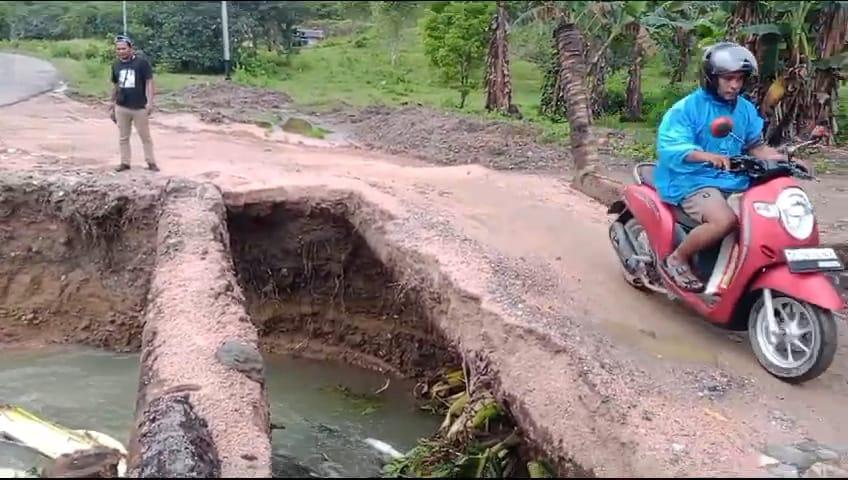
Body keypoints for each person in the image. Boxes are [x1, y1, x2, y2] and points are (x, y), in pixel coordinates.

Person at [653, 42, 787, 292]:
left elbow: (756, 145)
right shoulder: (688, 108)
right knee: (724, 221)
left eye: (739, 79)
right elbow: (671, 146)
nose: (734, 85)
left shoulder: (744, 109)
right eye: (728, 78)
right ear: (712, 78)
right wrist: (706, 156)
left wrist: (785, 160)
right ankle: (677, 259)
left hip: (732, 179)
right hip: (692, 179)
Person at [109, 34, 158, 172]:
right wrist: (111, 103)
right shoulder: (116, 65)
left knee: (145, 136)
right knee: (123, 137)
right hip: (121, 106)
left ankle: (151, 162)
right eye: (118, 49)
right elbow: (115, 85)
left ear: (131, 48)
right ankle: (125, 163)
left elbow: (149, 82)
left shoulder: (141, 63)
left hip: (139, 106)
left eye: (123, 48)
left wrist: (150, 102)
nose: (121, 51)